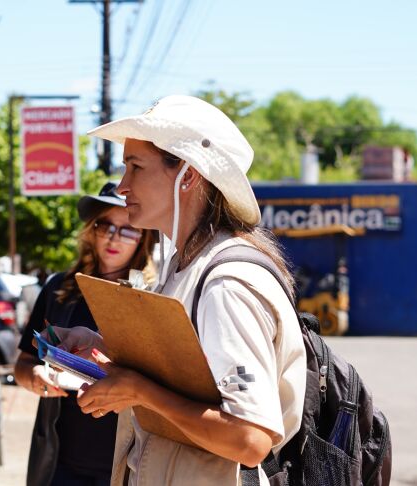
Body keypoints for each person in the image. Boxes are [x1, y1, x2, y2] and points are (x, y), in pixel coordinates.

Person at [55, 95, 307, 485]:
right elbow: (189, 376)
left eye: (136, 167)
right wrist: (103, 348)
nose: (122, 186)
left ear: (187, 175)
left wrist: (139, 390)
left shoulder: (228, 284)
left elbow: (249, 439)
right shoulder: (184, 265)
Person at [14, 182, 157, 486]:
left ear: (143, 237)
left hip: (127, 463)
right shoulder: (58, 289)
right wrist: (35, 378)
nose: (114, 238)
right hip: (60, 461)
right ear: (92, 229)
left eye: (128, 229)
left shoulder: (153, 297)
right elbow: (22, 364)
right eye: (106, 226)